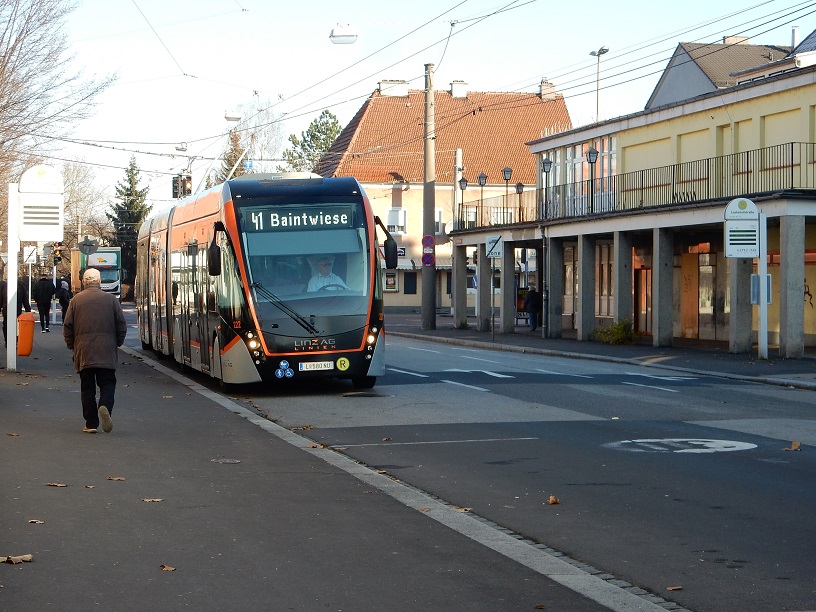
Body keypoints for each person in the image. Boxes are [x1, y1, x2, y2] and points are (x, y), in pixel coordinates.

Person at [63, 268, 127, 434]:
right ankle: (105, 405)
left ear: (84, 282)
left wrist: (72, 345)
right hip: (106, 349)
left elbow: (68, 326)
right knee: (108, 383)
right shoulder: (111, 300)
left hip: (84, 351)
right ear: (100, 282)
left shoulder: (76, 300)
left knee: (87, 387)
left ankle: (91, 423)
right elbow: (121, 324)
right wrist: (117, 342)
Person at [1, 277, 32, 347]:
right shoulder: (20, 286)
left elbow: (1, 297)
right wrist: (28, 310)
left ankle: (8, 340)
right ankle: (15, 340)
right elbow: (25, 299)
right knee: (16, 326)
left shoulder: (5, 286)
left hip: (7, 309)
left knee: (6, 325)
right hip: (16, 309)